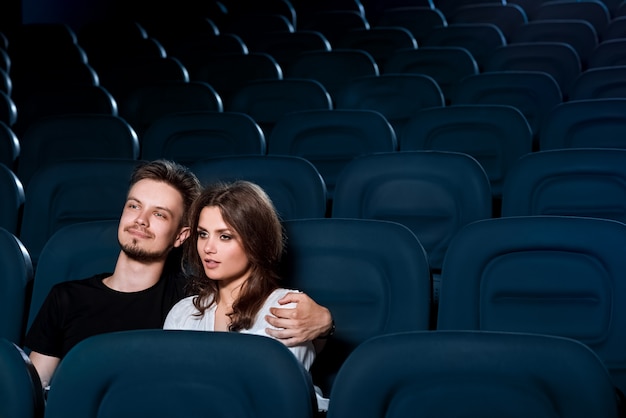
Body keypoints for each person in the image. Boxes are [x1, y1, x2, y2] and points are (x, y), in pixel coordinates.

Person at [24, 160, 334, 389]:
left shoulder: (185, 297)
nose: (141, 220)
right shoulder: (69, 297)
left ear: (180, 236)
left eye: (159, 214)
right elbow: (34, 391)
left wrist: (324, 325)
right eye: (134, 206)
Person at [163, 180, 330, 412]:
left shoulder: (288, 308)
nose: (208, 248)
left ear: (255, 243)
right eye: (203, 234)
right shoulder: (183, 313)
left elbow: (276, 398)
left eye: (225, 236)